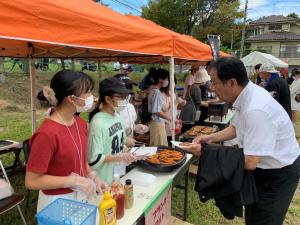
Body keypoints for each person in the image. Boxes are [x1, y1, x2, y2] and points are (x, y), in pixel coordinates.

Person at [182, 57, 300, 225]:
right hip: (262, 169)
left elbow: (250, 161)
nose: (212, 89)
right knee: (253, 215)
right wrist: (209, 138)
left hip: (278, 173)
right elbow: (236, 127)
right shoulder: (245, 95)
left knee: (264, 219)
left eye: (214, 83)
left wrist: (205, 151)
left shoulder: (256, 108)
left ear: (231, 82)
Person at [25, 70, 108, 212]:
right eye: (87, 92)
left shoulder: (79, 123)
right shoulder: (47, 134)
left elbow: (79, 158)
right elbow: (32, 181)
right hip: (57, 202)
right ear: (71, 98)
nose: (92, 97)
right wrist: (71, 180)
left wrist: (93, 176)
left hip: (82, 195)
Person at [88, 77, 136, 185]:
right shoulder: (98, 123)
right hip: (102, 180)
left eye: (125, 97)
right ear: (108, 99)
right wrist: (119, 156)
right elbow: (94, 158)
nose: (124, 100)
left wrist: (124, 150)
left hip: (117, 174)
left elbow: (118, 142)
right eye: (120, 97)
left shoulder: (117, 116)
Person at [148, 69, 170, 146]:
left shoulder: (152, 89)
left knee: (157, 144)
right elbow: (156, 111)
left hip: (156, 122)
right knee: (159, 146)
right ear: (160, 79)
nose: (167, 81)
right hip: (157, 123)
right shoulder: (156, 92)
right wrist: (169, 118)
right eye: (166, 79)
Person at [161, 77, 186, 146]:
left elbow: (177, 105)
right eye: (172, 82)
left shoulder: (173, 93)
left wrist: (182, 102)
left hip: (173, 119)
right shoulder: (161, 94)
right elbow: (164, 108)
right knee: (167, 140)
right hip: (165, 121)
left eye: (174, 82)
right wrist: (175, 102)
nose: (174, 85)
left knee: (173, 139)